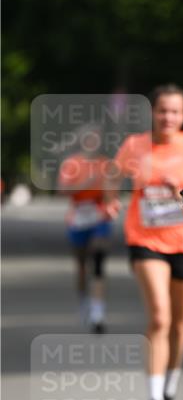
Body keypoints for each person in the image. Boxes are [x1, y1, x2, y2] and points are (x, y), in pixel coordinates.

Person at [114, 85, 183, 400]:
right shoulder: (135, 146)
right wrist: (110, 199)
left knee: (178, 325)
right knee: (159, 318)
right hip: (145, 239)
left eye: (175, 112)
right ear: (151, 113)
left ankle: (169, 394)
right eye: (161, 111)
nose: (167, 117)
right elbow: (114, 175)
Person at [58, 125, 118, 333]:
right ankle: (84, 301)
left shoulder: (106, 163)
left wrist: (110, 200)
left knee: (99, 261)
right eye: (88, 139)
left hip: (99, 216)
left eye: (96, 139)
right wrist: (87, 183)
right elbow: (62, 190)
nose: (92, 142)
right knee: (83, 266)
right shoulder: (72, 164)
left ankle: (98, 312)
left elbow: (112, 191)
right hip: (78, 218)